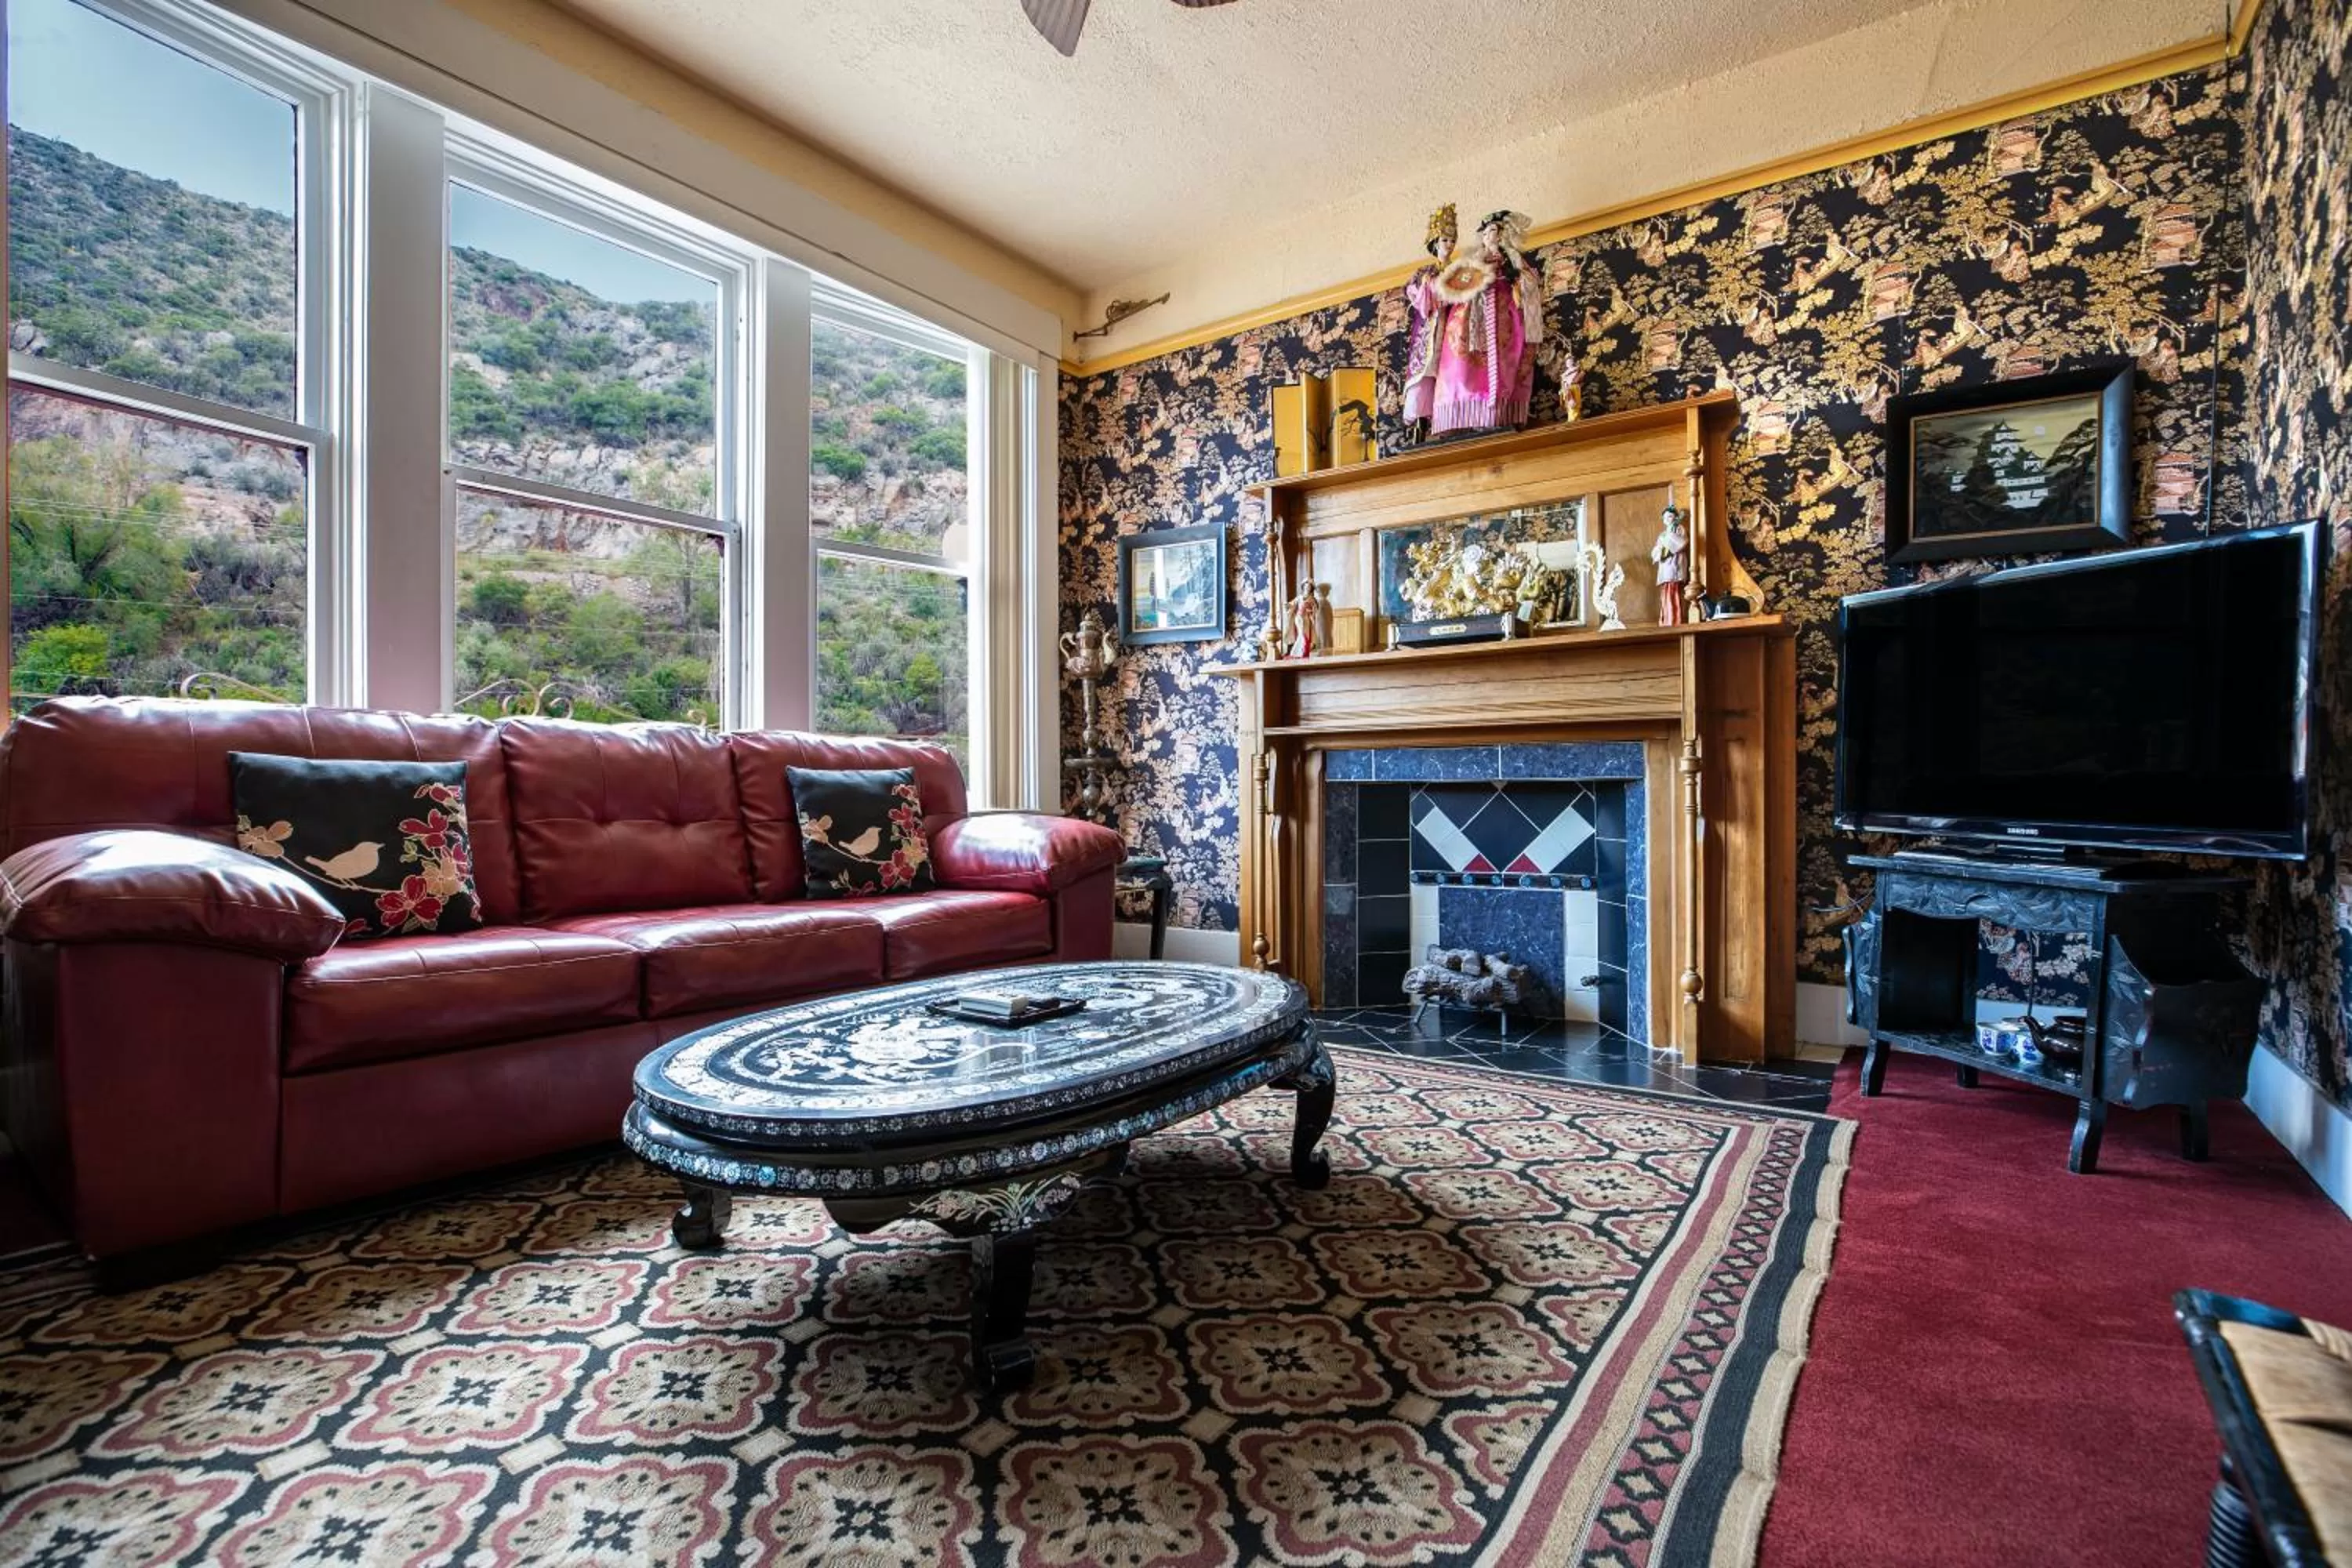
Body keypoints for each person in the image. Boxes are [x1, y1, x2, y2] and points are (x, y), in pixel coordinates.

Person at [1405, 206, 1545, 440]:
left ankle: (1498, 415)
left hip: (1504, 314)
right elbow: (1454, 286)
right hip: (1473, 316)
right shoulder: (1471, 261)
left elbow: (1529, 281)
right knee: (1461, 363)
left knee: (1505, 362)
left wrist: (1516, 281)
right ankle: (1460, 415)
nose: (1494, 236)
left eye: (1498, 231)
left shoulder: (1513, 259)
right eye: (1490, 231)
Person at [1651, 490, 1690, 626]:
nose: (1669, 519)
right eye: (1667, 517)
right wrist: (1661, 551)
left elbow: (1682, 542)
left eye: (1671, 517)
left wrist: (1669, 538)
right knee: (1666, 594)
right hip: (1666, 567)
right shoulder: (1663, 534)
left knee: (1674, 593)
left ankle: (1675, 619)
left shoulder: (1678, 529)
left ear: (1675, 517)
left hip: (1676, 565)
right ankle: (1666, 619)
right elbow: (1656, 551)